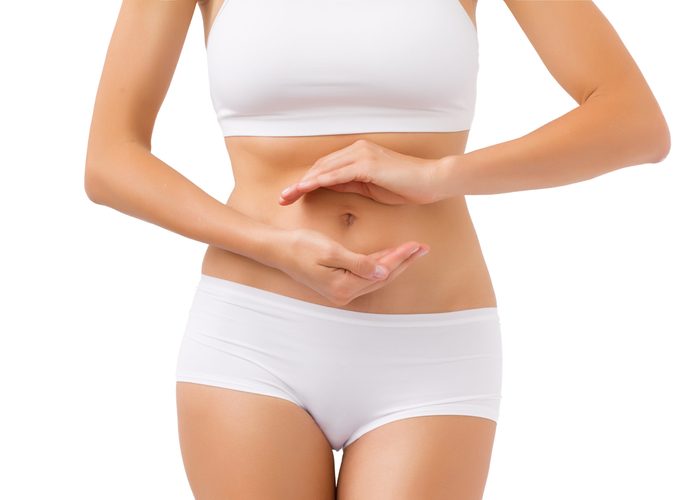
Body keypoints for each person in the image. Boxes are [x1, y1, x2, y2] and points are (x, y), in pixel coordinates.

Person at [84, 0, 670, 498]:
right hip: (255, 337)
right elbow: (110, 160)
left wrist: (441, 174)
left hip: (430, 347)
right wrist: (271, 245)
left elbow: (634, 122)